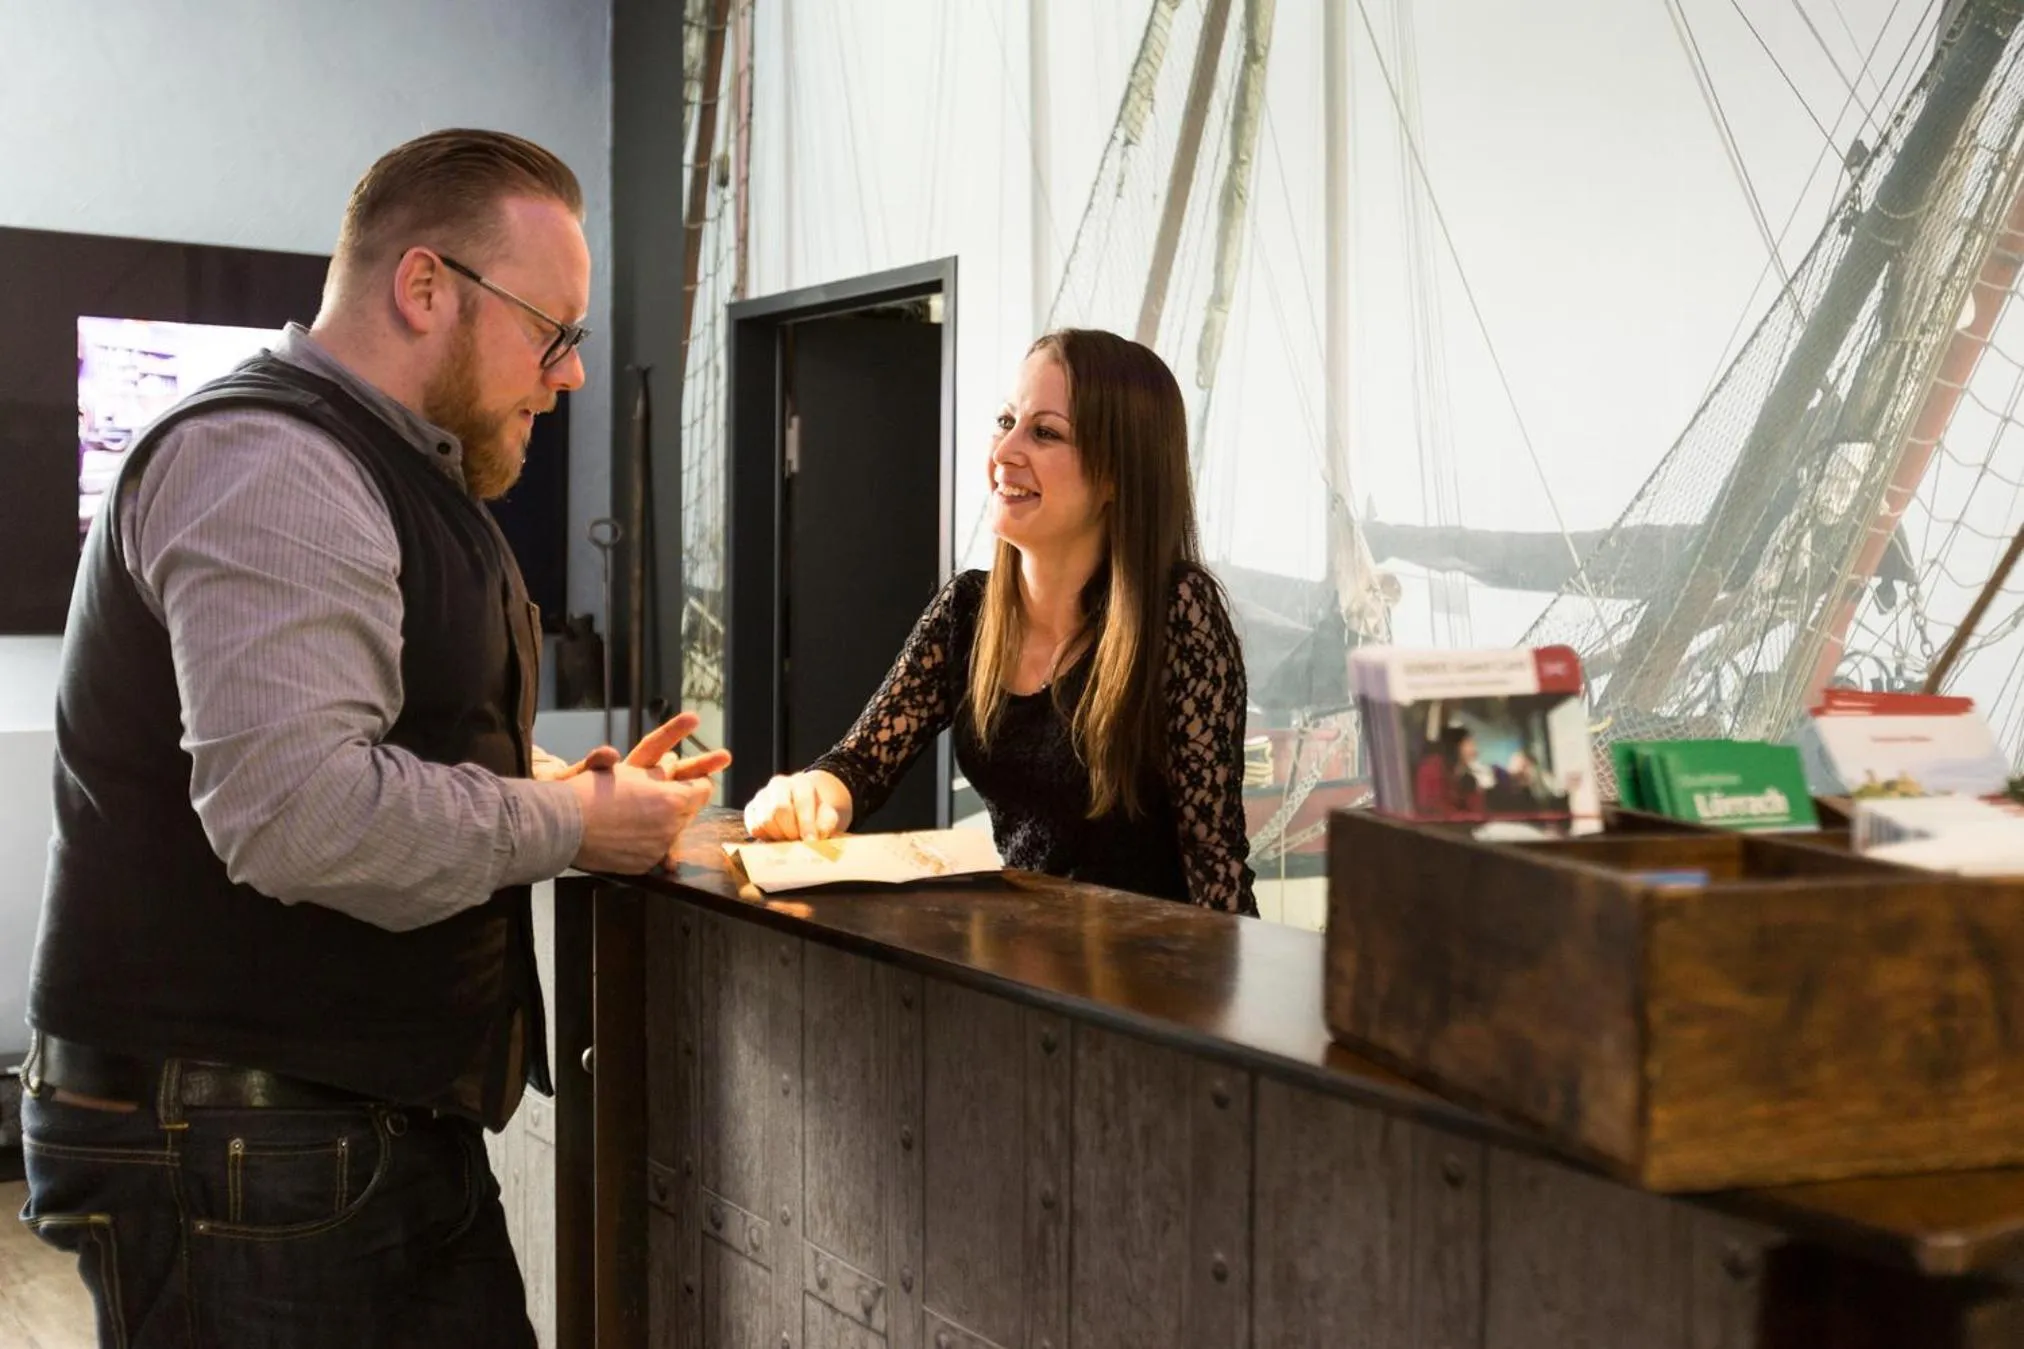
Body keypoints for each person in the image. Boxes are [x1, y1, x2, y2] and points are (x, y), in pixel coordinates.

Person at [19, 129, 728, 1348]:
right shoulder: (271, 463)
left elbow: (384, 732)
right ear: (424, 286)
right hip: (248, 1150)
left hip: (333, 1134)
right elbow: (302, 811)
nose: (564, 377)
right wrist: (571, 823)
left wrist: (566, 779)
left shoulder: (371, 467)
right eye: (551, 332)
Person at [744, 328, 1256, 915]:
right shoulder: (968, 610)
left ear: (1118, 473)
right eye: (1005, 421)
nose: (1004, 453)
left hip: (1149, 985)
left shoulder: (1179, 614)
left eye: (1045, 432)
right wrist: (808, 793)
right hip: (1019, 970)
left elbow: (1215, 863)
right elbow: (860, 765)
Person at [1413, 724, 1485, 818]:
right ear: (1455, 746)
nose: (1474, 750)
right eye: (1469, 744)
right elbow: (1434, 808)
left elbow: (1477, 813)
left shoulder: (1466, 776)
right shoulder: (1432, 768)